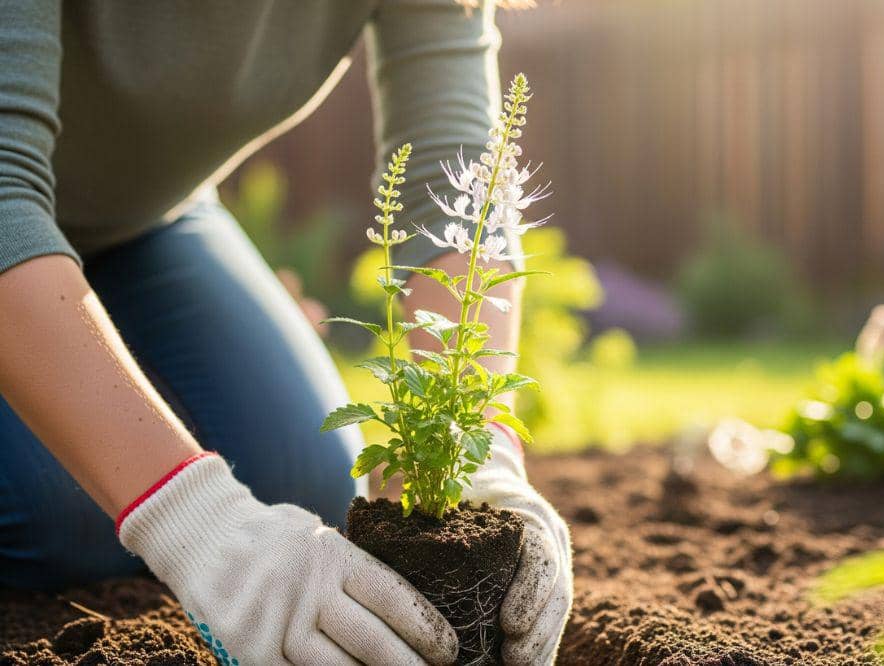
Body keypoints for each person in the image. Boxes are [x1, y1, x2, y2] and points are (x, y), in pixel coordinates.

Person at [0, 1, 572, 664]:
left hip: (142, 223)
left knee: (305, 479)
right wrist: (198, 523)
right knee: (56, 519)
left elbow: (459, 181)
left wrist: (477, 449)